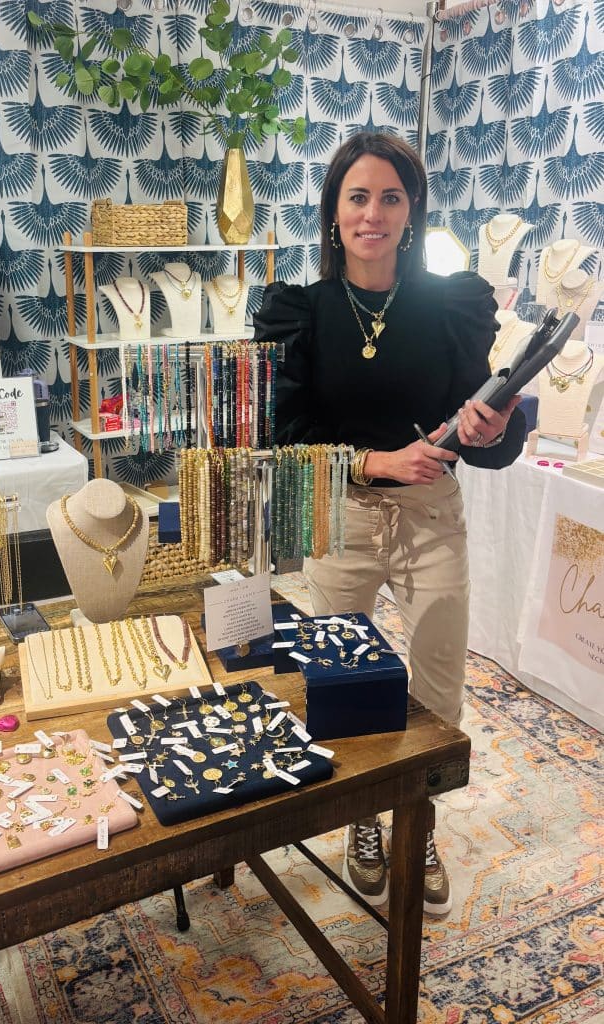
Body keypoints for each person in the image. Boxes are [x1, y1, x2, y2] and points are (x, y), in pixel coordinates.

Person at [253, 132, 525, 915]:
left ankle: (418, 824)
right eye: (357, 197)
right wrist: (377, 462)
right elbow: (286, 436)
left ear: (411, 213)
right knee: (339, 680)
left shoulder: (451, 304)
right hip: (338, 513)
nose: (372, 214)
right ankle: (361, 821)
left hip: (431, 512)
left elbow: (487, 426)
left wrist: (487, 426)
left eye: (390, 198)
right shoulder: (301, 312)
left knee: (437, 683)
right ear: (333, 213)